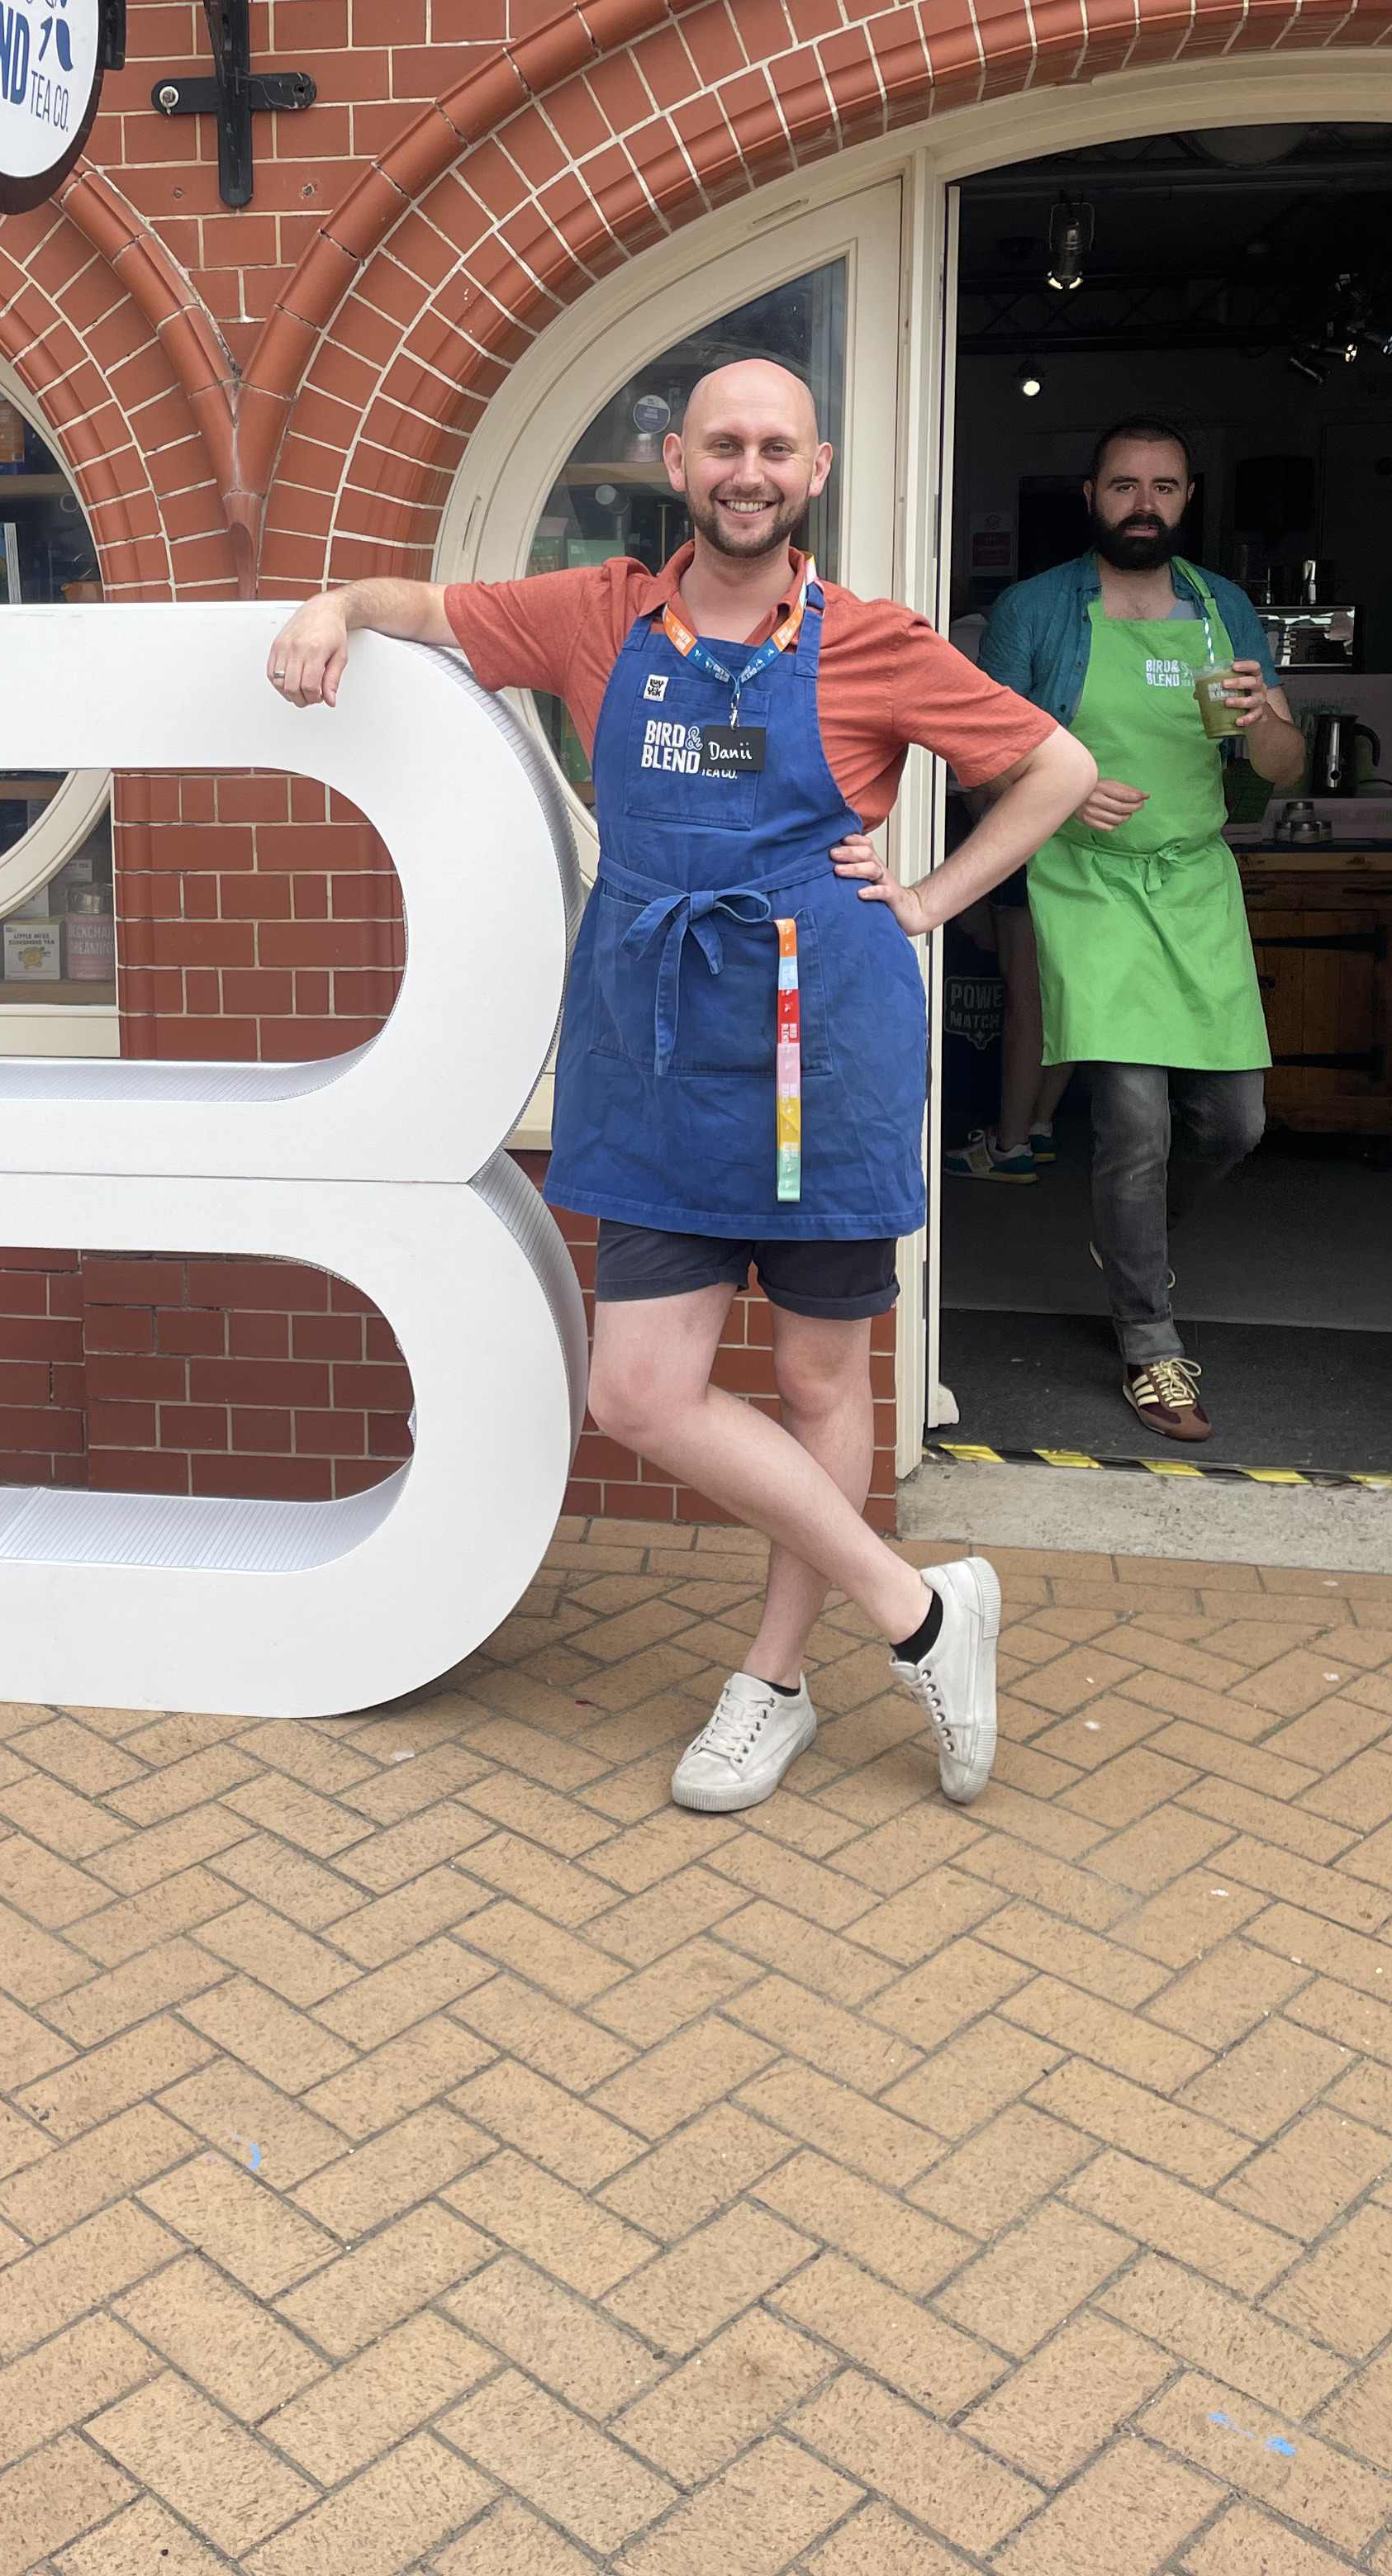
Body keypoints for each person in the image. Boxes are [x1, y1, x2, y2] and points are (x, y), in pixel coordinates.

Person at [268, 358, 1095, 1816]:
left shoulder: (875, 642)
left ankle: (771, 1683)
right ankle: (918, 1611)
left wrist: (925, 898)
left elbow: (1050, 762)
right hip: (652, 1047)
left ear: (814, 472)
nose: (747, 468)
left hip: (817, 1043)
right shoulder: (594, 612)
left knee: (816, 1378)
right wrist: (330, 607)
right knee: (638, 1387)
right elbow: (427, 610)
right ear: (674, 460)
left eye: (774, 446)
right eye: (723, 442)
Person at [978, 419, 1309, 1443]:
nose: (1144, 502)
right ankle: (1151, 1343)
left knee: (1237, 1120)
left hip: (1196, 882)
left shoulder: (1224, 612)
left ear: (1187, 497)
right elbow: (983, 756)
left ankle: (1138, 1246)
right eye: (1124, 484)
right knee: (1134, 1121)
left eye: (1164, 486)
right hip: (1089, 884)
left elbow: (1285, 767)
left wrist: (1263, 724)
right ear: (1092, 495)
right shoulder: (1036, 609)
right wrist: (1063, 797)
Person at [943, 598, 1072, 1182]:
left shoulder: (988, 663)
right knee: (1064, 997)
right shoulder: (1075, 673)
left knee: (1027, 1002)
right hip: (1081, 851)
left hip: (1028, 841)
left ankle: (1009, 1145)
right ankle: (1040, 1124)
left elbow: (981, 782)